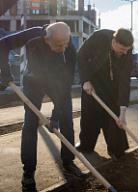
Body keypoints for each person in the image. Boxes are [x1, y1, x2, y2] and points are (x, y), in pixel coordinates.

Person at [0, 22, 88, 192]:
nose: (63, 48)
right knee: (30, 123)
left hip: (57, 82)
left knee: (66, 119)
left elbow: (67, 83)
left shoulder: (69, 49)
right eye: (58, 45)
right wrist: (5, 72)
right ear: (46, 39)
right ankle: (28, 171)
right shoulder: (32, 35)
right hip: (33, 80)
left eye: (66, 43)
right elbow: (2, 46)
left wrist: (55, 115)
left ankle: (68, 162)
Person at [76, 28, 134, 161]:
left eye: (127, 49)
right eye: (122, 49)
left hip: (113, 83)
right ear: (113, 42)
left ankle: (116, 150)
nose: (125, 52)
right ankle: (86, 145)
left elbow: (125, 80)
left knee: (113, 116)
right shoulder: (98, 37)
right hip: (93, 79)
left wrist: (123, 113)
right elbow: (80, 56)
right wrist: (85, 80)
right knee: (89, 114)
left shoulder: (127, 51)